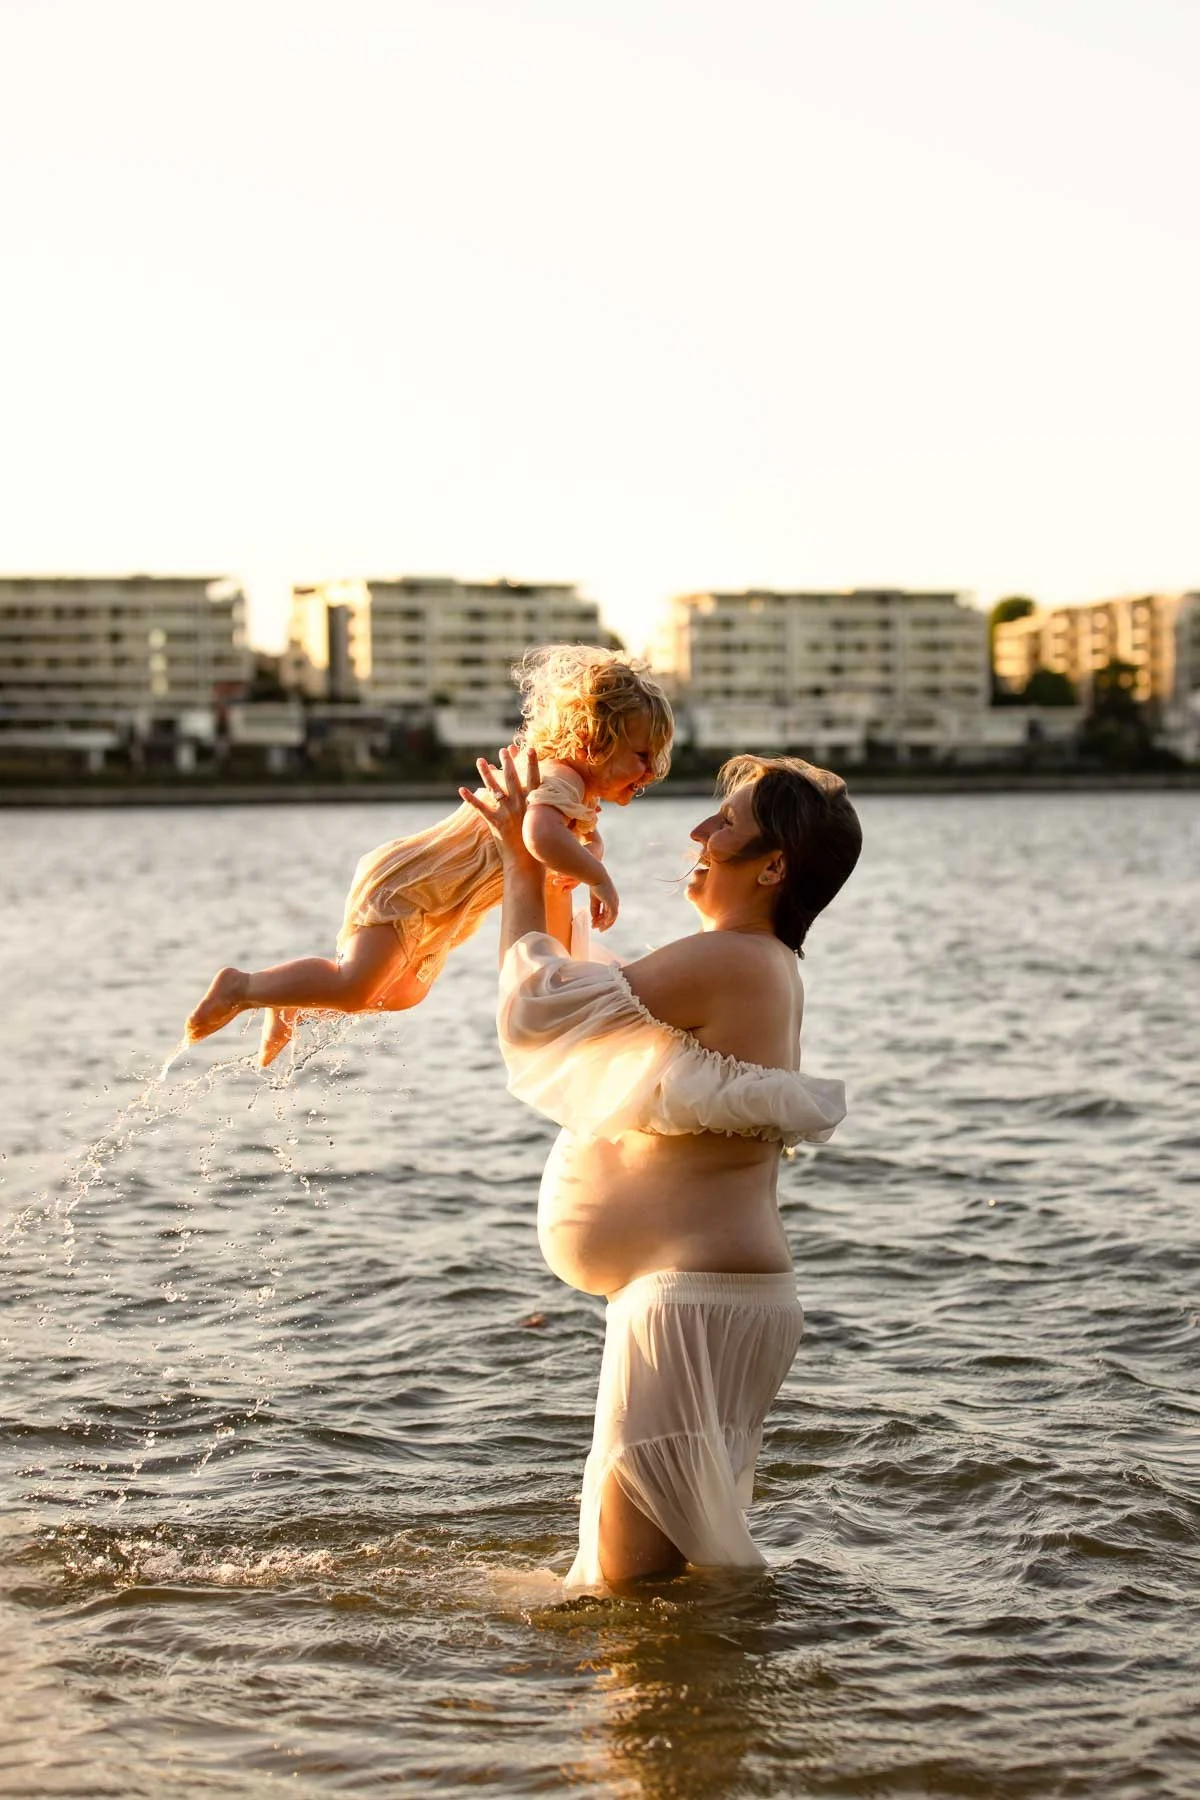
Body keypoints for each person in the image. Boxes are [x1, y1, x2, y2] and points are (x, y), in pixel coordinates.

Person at [464, 745, 862, 1590]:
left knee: (629, 1592)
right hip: (705, 1297)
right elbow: (584, 991)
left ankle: (674, 1717)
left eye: (727, 824)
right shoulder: (756, 967)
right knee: (655, 1586)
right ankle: (704, 1712)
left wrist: (518, 862)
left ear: (773, 866)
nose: (699, 829)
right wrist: (556, 866)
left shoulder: (731, 960)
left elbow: (539, 1008)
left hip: (694, 1301)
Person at [184, 646, 673, 1065]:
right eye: (641, 755)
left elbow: (566, 836)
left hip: (442, 904)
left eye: (658, 757)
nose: (652, 770)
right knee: (356, 984)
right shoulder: (558, 777)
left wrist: (589, 850)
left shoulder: (576, 794)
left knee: (400, 995)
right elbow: (537, 834)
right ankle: (242, 986)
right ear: (591, 742)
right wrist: (598, 876)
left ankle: (294, 1002)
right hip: (413, 885)